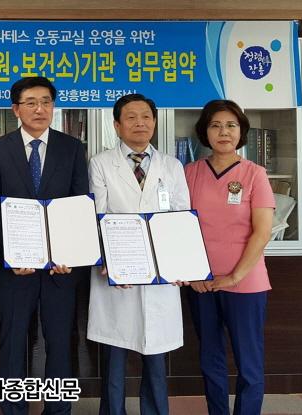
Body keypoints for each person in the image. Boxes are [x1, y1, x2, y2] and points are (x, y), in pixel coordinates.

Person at [0, 76, 89, 415]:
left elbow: (79, 204)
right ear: (16, 109)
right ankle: (13, 410)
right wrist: (14, 250)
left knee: (60, 343)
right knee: (13, 343)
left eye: (46, 102)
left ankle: (58, 410)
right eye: (30, 102)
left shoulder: (72, 148)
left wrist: (68, 252)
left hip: (61, 269)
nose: (39, 109)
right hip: (15, 268)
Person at [87, 93, 190, 415]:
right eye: (130, 117)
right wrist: (111, 261)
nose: (139, 123)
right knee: (115, 355)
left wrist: (179, 263)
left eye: (146, 116)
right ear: (117, 125)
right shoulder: (101, 163)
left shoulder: (171, 166)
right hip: (117, 274)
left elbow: (181, 218)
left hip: (160, 275)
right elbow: (96, 216)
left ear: (155, 122)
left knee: (156, 354)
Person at [185, 100, 274, 415]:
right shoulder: (190, 173)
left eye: (231, 125)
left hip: (245, 282)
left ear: (241, 132)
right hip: (202, 283)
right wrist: (192, 274)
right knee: (210, 358)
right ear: (205, 132)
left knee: (248, 361)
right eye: (215, 125)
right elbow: (179, 228)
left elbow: (262, 232)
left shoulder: (255, 174)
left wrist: (235, 276)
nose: (223, 132)